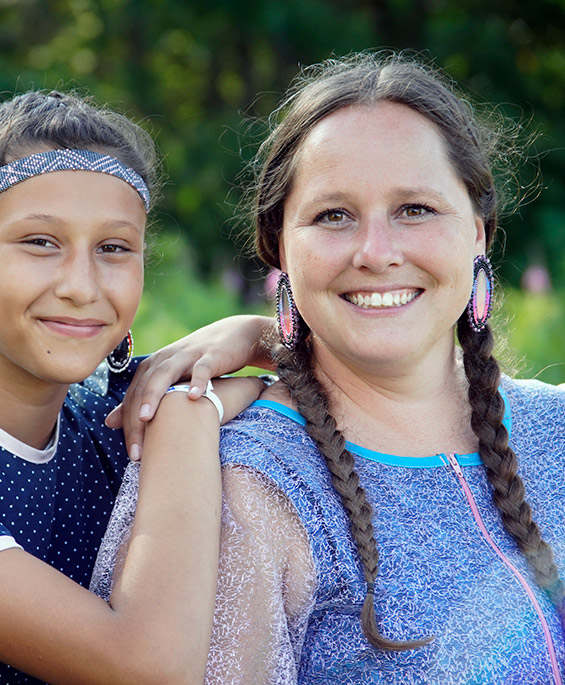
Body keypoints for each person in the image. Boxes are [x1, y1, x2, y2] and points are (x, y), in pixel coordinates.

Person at [92, 52, 565, 683]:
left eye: (415, 209)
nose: (376, 252)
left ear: (477, 234)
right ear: (281, 249)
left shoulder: (554, 425)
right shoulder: (253, 486)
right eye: (333, 215)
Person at [0, 89, 273, 684]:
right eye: (41, 242)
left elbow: (349, 377)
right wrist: (191, 413)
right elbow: (148, 668)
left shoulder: (114, 416)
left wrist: (253, 334)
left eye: (114, 248)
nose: (82, 287)